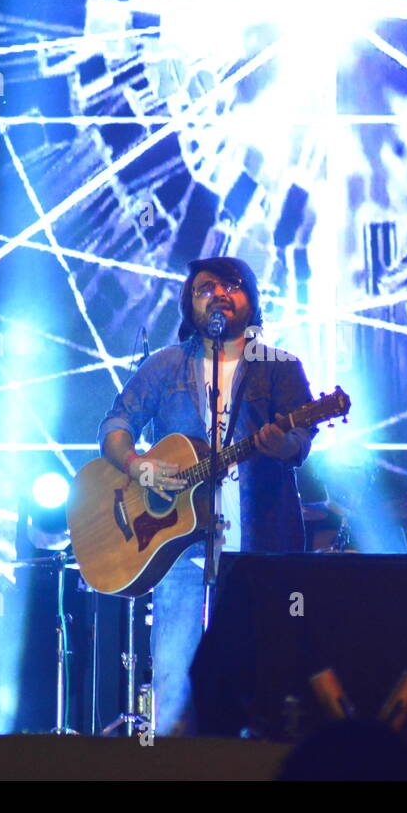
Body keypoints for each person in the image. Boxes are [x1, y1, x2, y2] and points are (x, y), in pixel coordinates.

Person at [97, 256, 315, 732]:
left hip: (260, 553)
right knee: (175, 683)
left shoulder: (280, 368)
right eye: (205, 287)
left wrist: (286, 443)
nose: (219, 293)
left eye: (232, 284)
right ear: (189, 304)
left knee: (261, 684)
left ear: (251, 298)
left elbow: (302, 441)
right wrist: (139, 466)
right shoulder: (165, 365)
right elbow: (115, 424)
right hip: (180, 553)